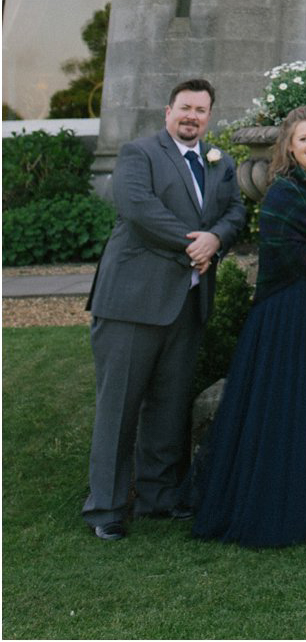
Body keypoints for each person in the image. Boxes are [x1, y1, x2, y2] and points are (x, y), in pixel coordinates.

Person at [189, 105, 306, 548]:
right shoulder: (282, 192)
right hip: (292, 314)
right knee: (293, 411)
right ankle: (286, 501)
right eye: (303, 139)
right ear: (289, 147)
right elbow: (283, 256)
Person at [83, 78, 245, 540]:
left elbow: (234, 212)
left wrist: (218, 237)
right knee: (119, 408)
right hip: (133, 303)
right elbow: (138, 208)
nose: (192, 116)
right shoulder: (139, 154)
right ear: (168, 111)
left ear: (210, 116)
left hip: (187, 302)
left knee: (168, 407)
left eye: (201, 110)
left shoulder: (221, 162)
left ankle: (158, 496)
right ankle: (106, 508)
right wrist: (194, 243)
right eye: (185, 108)